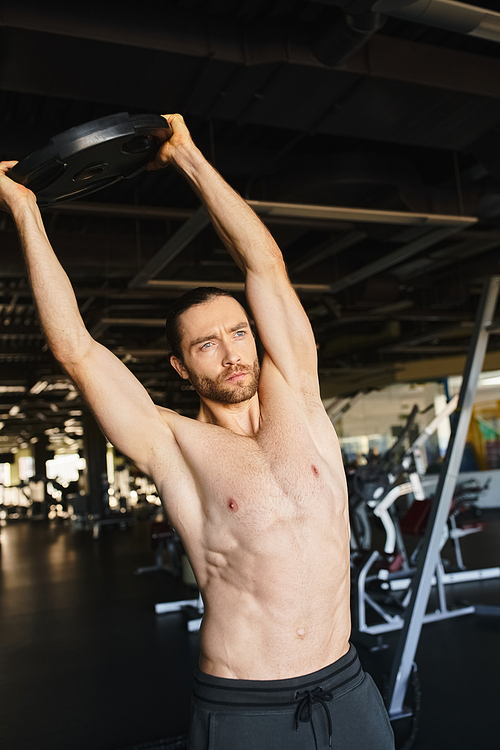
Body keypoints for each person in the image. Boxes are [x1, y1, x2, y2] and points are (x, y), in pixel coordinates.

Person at [0, 114, 394, 750]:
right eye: (207, 345)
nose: (232, 352)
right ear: (183, 366)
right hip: (248, 705)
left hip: (349, 688)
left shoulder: (299, 393)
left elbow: (264, 262)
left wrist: (187, 156)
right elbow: (76, 349)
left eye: (239, 333)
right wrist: (25, 210)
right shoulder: (172, 444)